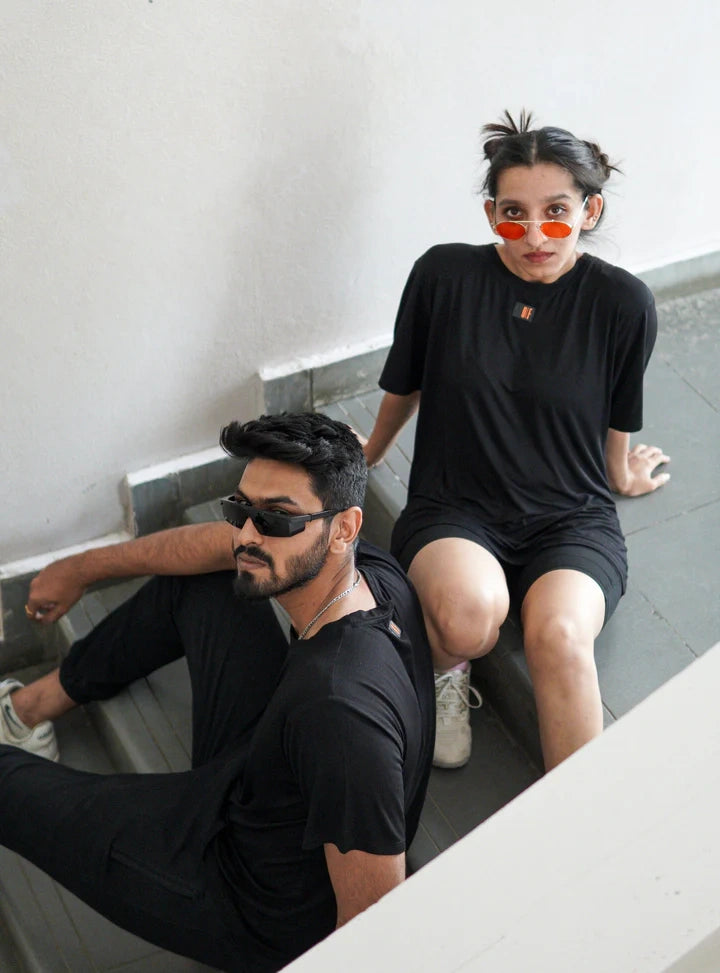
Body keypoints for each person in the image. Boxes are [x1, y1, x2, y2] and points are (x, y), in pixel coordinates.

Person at [0, 412, 434, 973]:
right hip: (266, 773)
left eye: (276, 518)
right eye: (240, 510)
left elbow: (372, 926)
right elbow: (211, 548)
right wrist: (84, 568)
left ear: (344, 527)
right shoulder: (369, 573)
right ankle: (29, 709)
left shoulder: (340, 714)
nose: (248, 535)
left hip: (249, 898)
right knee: (208, 580)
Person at [362, 109, 670, 773]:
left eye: (556, 212)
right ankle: (447, 670)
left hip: (571, 517)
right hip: (455, 505)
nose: (534, 235)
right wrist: (371, 453)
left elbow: (620, 410)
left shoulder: (623, 303)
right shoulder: (444, 275)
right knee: (468, 616)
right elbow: (405, 381)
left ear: (589, 210)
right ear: (490, 215)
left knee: (559, 635)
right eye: (513, 215)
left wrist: (621, 474)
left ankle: (578, 817)